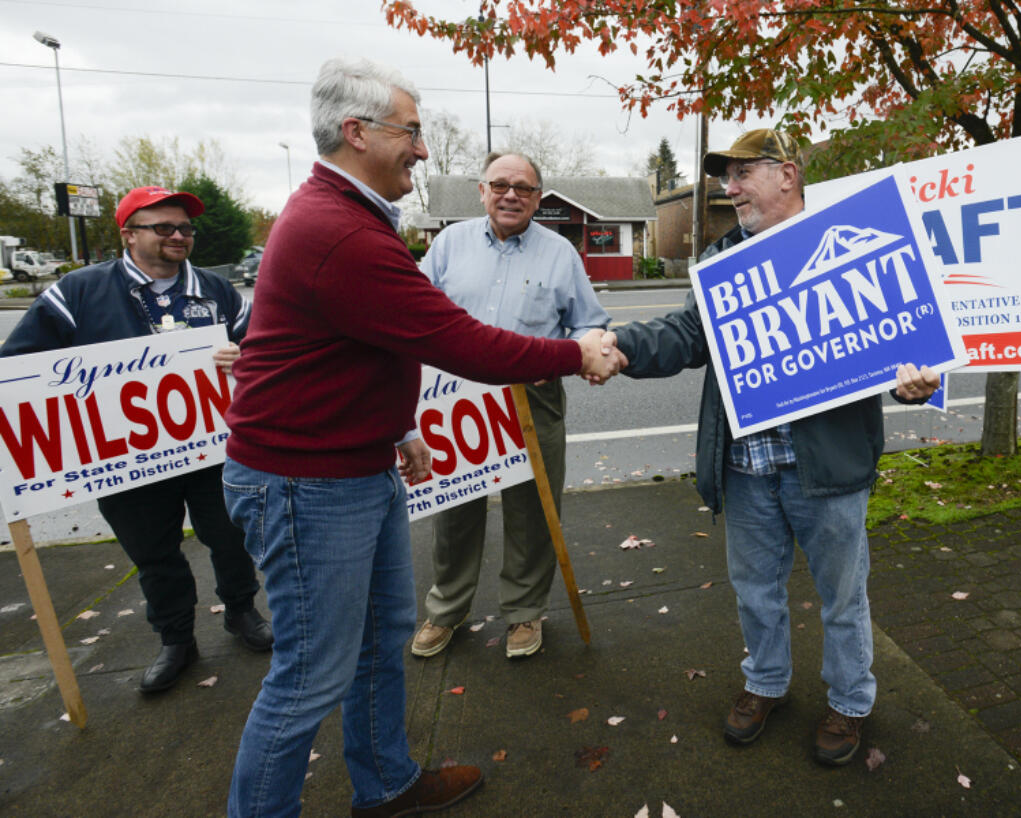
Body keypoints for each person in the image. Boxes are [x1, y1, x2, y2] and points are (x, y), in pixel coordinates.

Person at [221, 57, 618, 818]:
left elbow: (383, 340)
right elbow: (455, 339)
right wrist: (576, 354)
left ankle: (387, 783)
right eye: (412, 132)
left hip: (354, 468)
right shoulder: (340, 231)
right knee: (309, 677)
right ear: (356, 131)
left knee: (379, 642)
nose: (424, 150)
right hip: (307, 486)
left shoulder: (351, 218)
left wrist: (397, 425)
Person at [604, 129, 939, 767]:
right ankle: (766, 684)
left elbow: (901, 341)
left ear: (787, 175)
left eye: (741, 174)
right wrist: (620, 346)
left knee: (844, 597)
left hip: (828, 470)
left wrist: (916, 387)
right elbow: (685, 335)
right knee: (756, 591)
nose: (728, 189)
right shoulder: (721, 263)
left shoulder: (851, 246)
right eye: (724, 178)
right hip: (748, 470)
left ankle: (849, 701)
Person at [1, 185, 273, 693]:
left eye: (186, 228)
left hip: (213, 450)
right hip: (127, 459)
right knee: (154, 552)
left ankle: (241, 611)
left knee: (231, 536)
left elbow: (260, 350)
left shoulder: (215, 291)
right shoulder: (78, 291)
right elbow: (19, 368)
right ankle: (176, 640)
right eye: (164, 227)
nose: (178, 235)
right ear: (128, 234)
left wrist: (245, 358)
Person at [411, 151, 609, 661]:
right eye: (500, 184)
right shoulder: (450, 244)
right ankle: (446, 610)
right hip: (458, 397)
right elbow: (412, 308)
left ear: (539, 199)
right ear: (482, 191)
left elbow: (587, 321)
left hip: (533, 394)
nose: (510, 195)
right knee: (455, 508)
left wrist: (584, 351)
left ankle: (524, 614)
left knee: (534, 511)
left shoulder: (560, 253)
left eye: (523, 187)